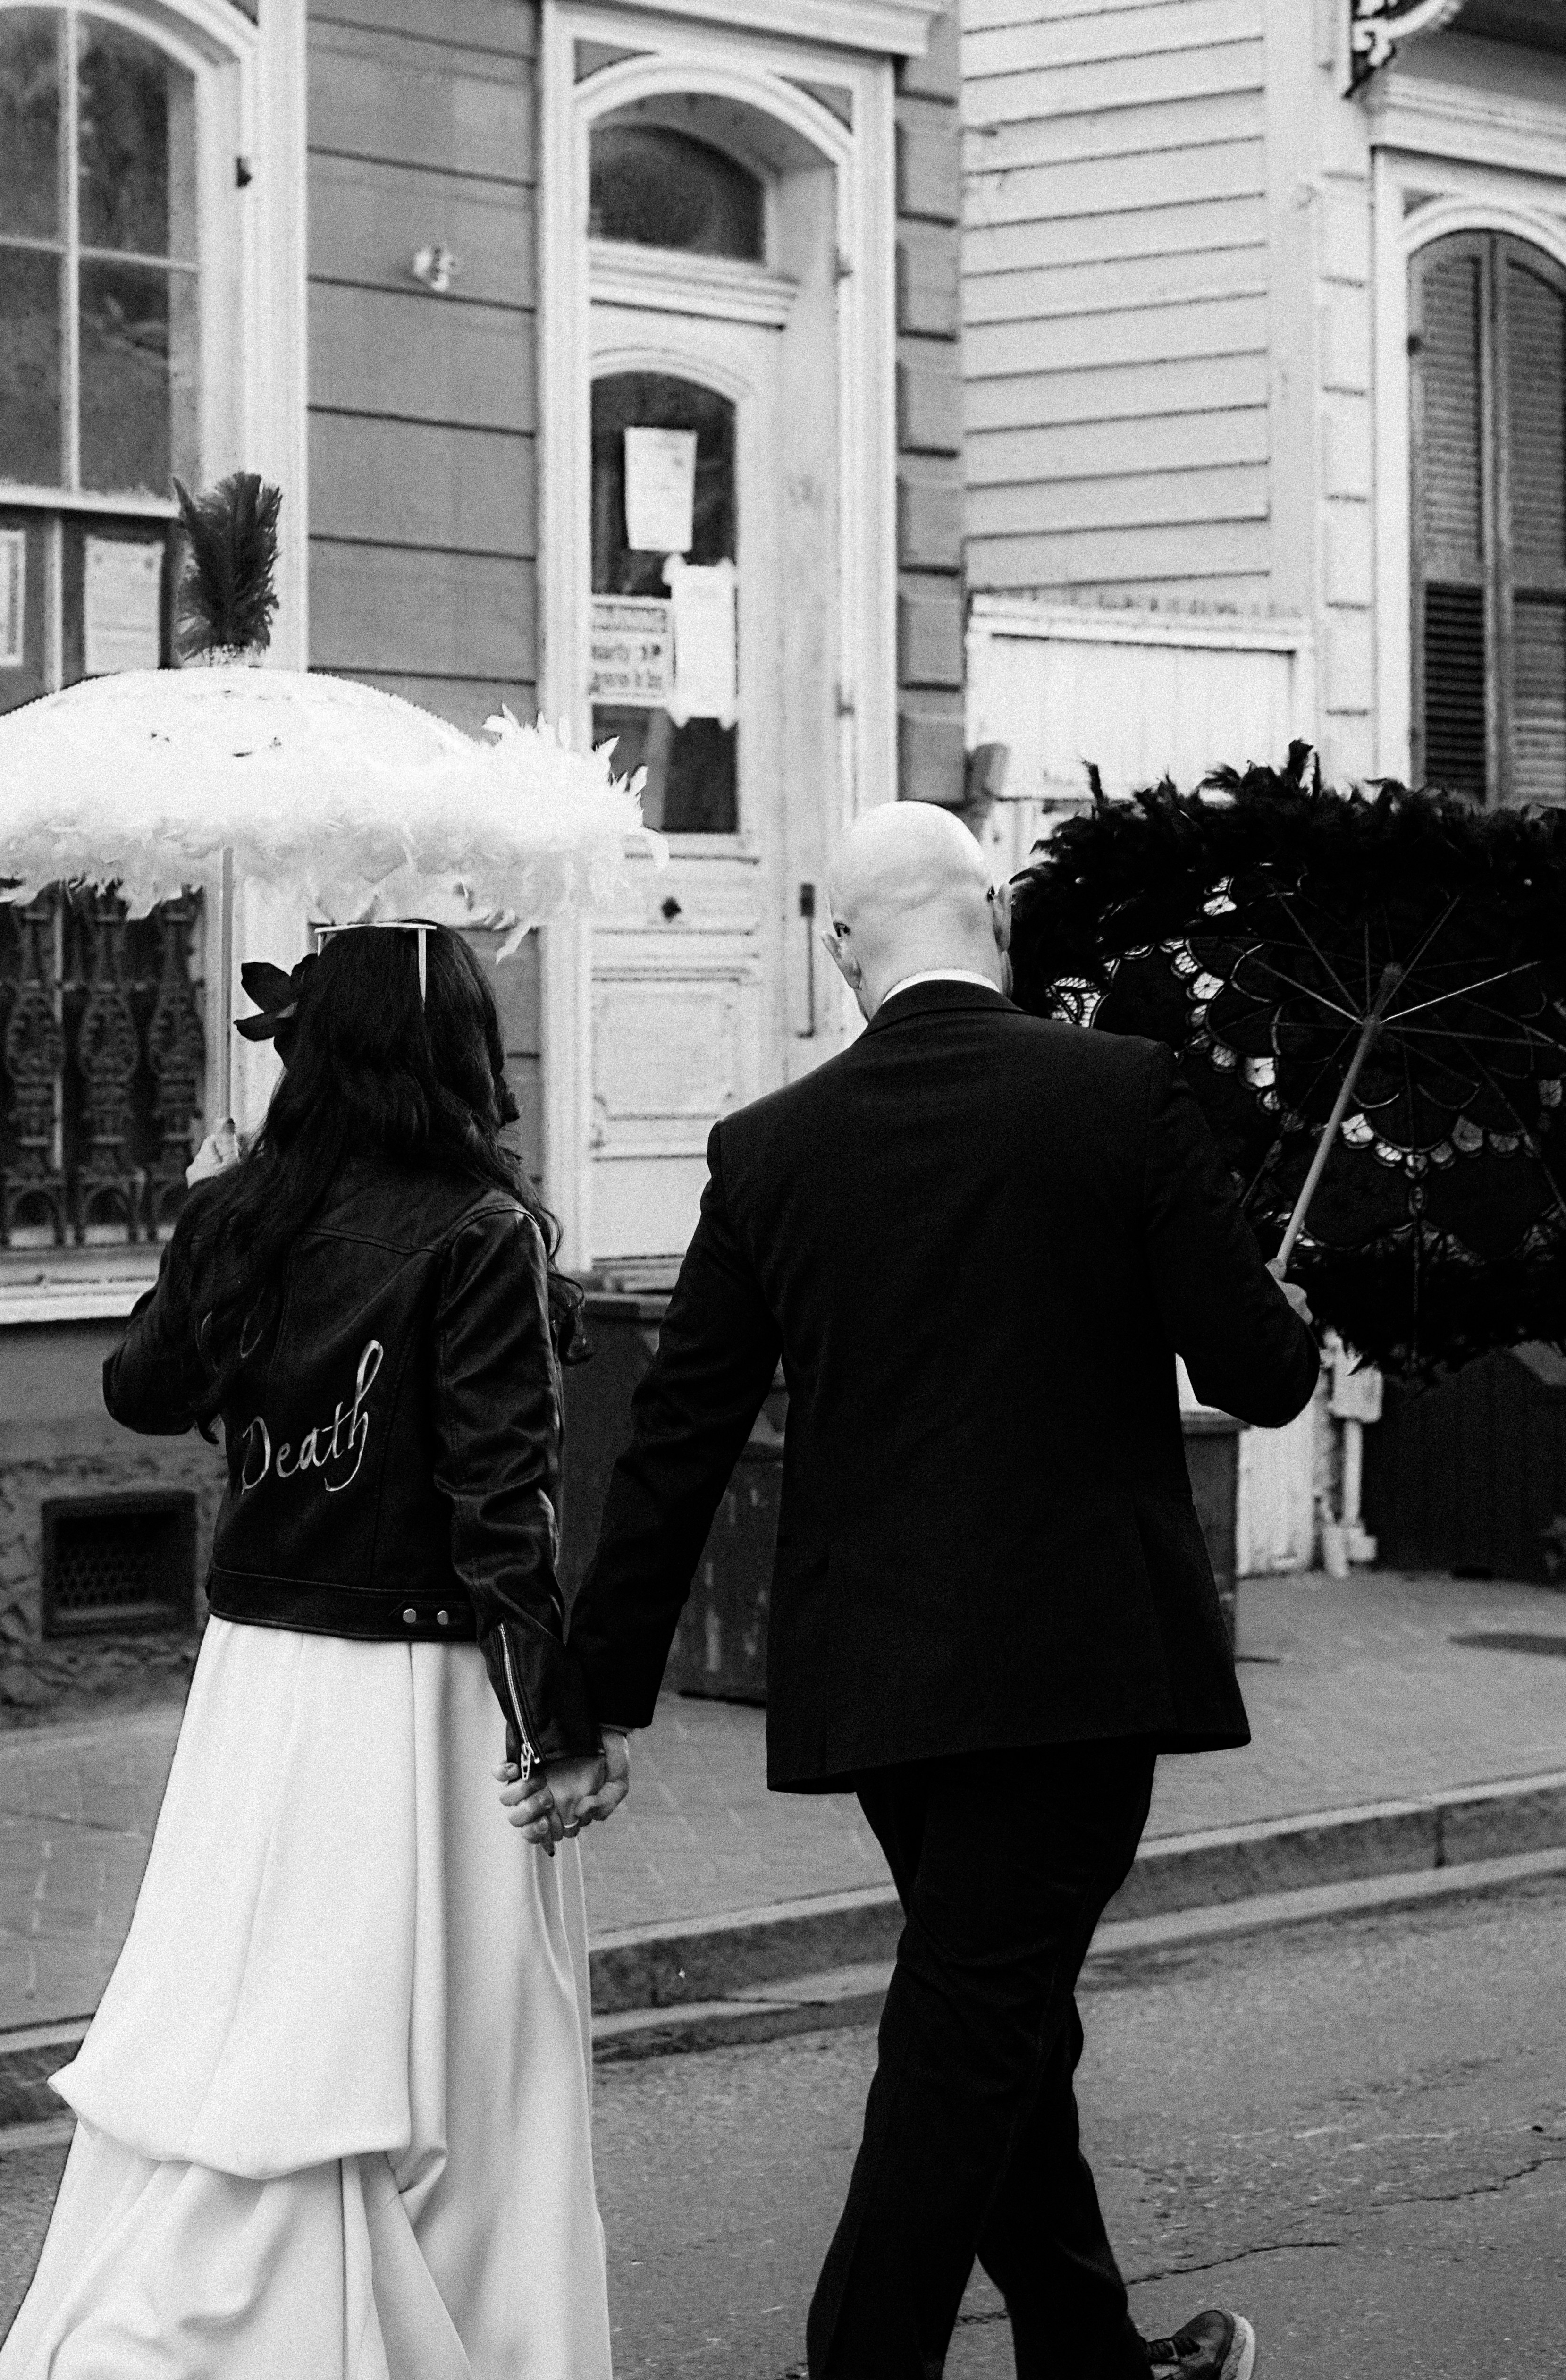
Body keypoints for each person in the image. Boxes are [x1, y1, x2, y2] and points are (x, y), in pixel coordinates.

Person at [565, 802, 1319, 2380]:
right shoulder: (1116, 1094)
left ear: (844, 944)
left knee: (999, 2009)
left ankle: (1090, 2355)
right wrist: (1278, 1304)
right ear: (990, 916)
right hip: (1080, 1664)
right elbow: (1254, 1372)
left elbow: (675, 1440)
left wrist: (593, 1696)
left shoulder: (770, 1147)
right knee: (978, 2018)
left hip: (885, 1682)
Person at [0, 922, 616, 2380]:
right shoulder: (480, 1228)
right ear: (462, 1051)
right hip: (421, 1693)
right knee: (464, 2055)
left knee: (256, 2019)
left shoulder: (251, 1215)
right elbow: (500, 1499)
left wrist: (206, 1215)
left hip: (260, 1685)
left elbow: (143, 1387)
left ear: (311, 1052)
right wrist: (551, 1721)